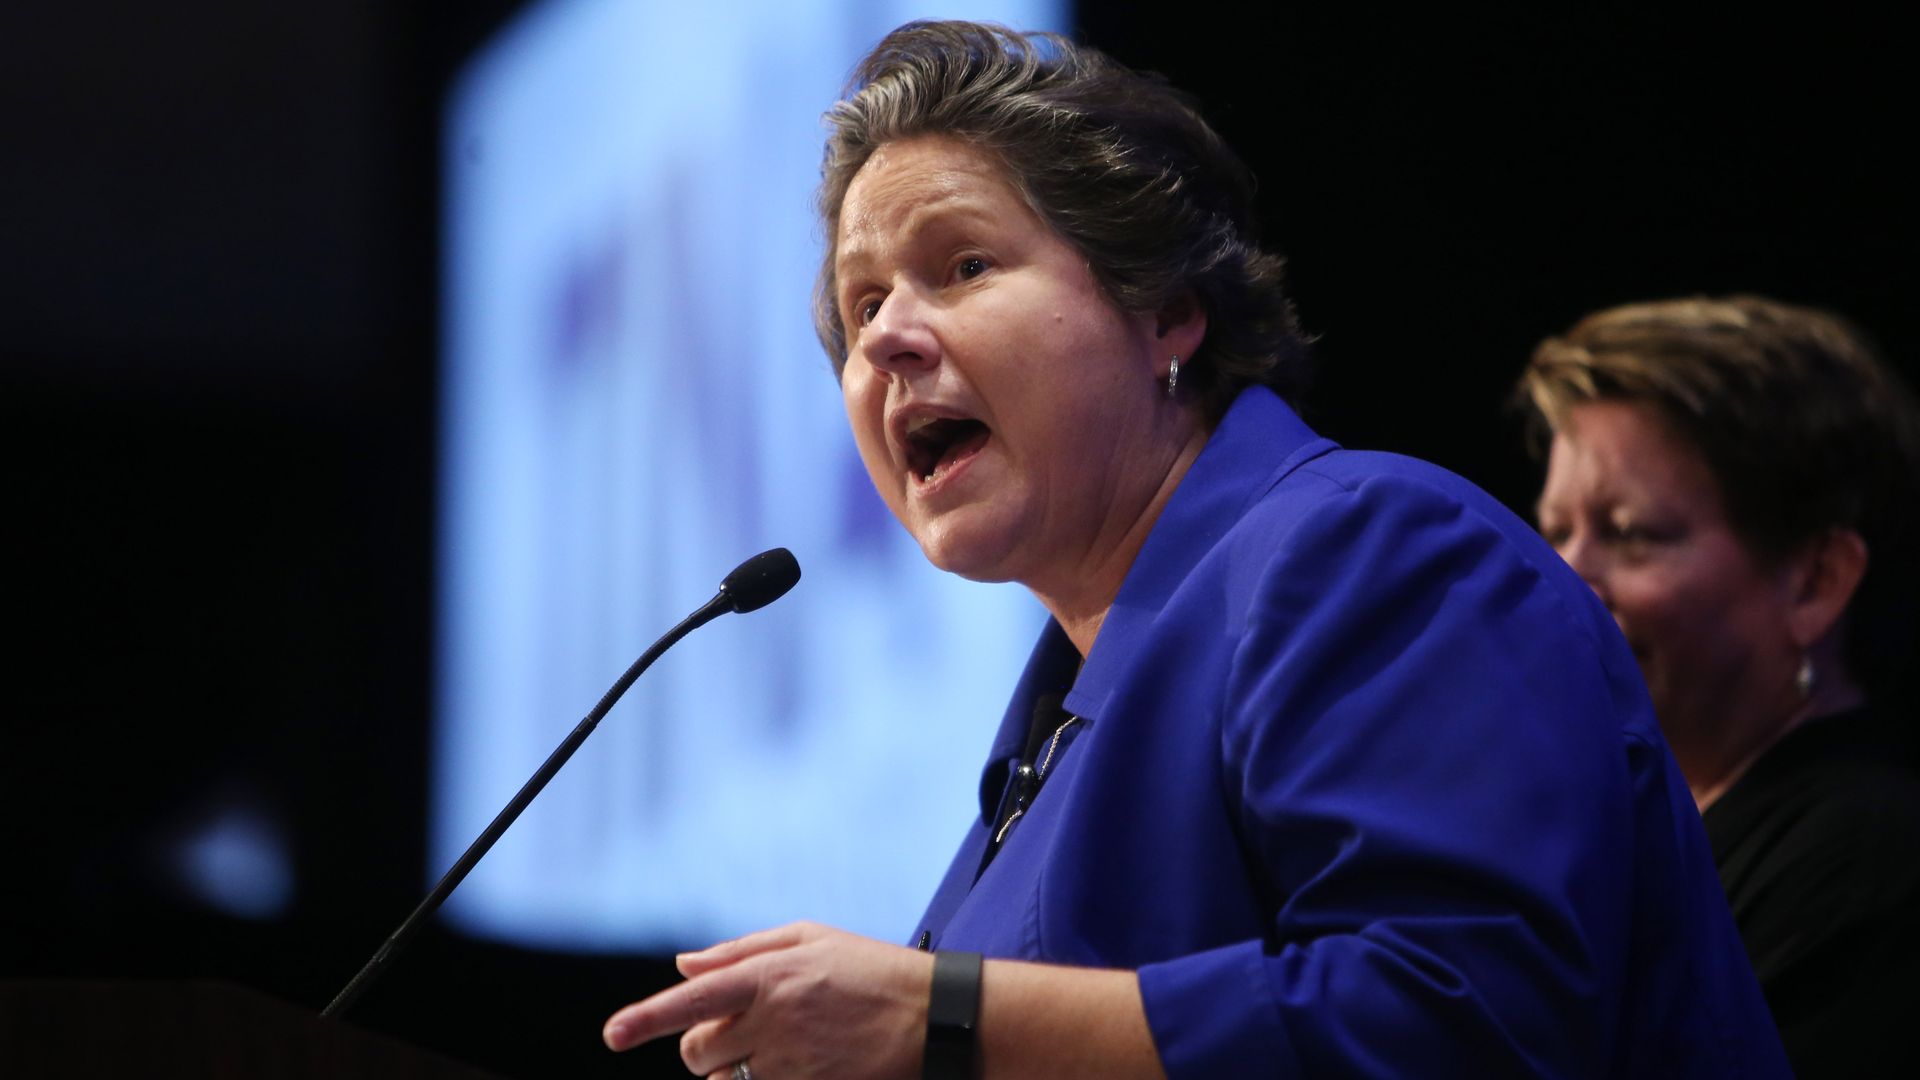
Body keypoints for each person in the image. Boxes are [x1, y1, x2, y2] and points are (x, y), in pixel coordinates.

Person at [602, 22, 1788, 1077]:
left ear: (1166, 312)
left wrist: (940, 1019)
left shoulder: (1370, 551)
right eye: (862, 307)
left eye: (963, 266)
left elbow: (1461, 1022)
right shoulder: (1046, 737)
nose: (888, 341)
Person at [1520, 294, 1920, 1075]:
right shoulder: (1591, 821)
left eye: (1630, 534)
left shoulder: (1872, 868)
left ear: (1815, 581)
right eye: (1555, 533)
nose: (1563, 583)